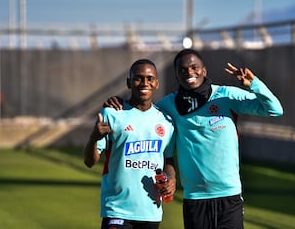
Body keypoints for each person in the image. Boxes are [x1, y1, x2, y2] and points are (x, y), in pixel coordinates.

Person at [105, 49, 284, 229]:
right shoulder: (169, 105)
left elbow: (274, 109)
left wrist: (253, 84)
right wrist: (119, 103)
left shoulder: (226, 95)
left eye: (194, 67)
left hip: (229, 196)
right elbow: (143, 111)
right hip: (194, 199)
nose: (189, 73)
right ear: (177, 75)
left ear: (204, 71)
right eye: (183, 70)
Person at [84, 59, 176, 229]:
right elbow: (89, 162)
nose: (144, 83)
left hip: (150, 211)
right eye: (138, 78)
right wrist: (94, 138)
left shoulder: (166, 121)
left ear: (156, 83)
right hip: (117, 209)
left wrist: (171, 179)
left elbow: (168, 159)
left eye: (149, 78)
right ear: (128, 82)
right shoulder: (112, 114)